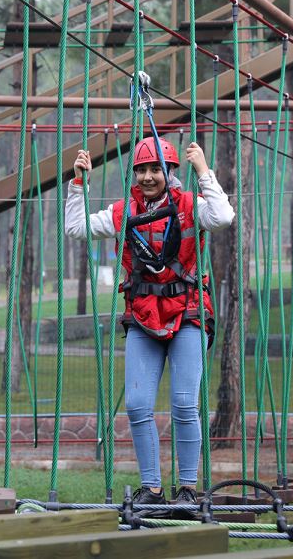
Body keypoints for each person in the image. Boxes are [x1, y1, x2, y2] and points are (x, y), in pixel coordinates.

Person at [65, 136, 234, 512]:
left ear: (169, 171)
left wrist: (204, 171)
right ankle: (152, 489)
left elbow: (223, 217)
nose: (147, 177)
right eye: (141, 170)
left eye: (155, 169)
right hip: (143, 315)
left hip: (187, 311)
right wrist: (79, 184)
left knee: (185, 403)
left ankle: (188, 488)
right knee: (138, 404)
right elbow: (76, 228)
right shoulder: (123, 211)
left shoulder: (190, 205)